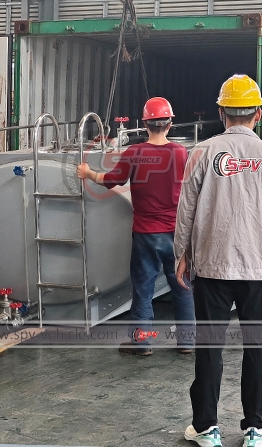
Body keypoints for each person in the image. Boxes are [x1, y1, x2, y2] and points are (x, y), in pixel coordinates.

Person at [174, 75, 262, 447]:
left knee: (210, 347)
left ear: (221, 112)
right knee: (257, 347)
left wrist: (181, 254)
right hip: (261, 268)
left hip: (212, 266)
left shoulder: (201, 152)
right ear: (258, 114)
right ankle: (255, 429)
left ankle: (206, 428)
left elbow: (187, 211)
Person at [76, 97, 195, 355]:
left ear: (144, 124)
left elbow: (111, 181)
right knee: (183, 286)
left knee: (143, 288)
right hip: (176, 233)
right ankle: (187, 342)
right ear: (170, 123)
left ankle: (141, 343)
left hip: (146, 234)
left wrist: (88, 172)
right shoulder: (181, 153)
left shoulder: (134, 153)